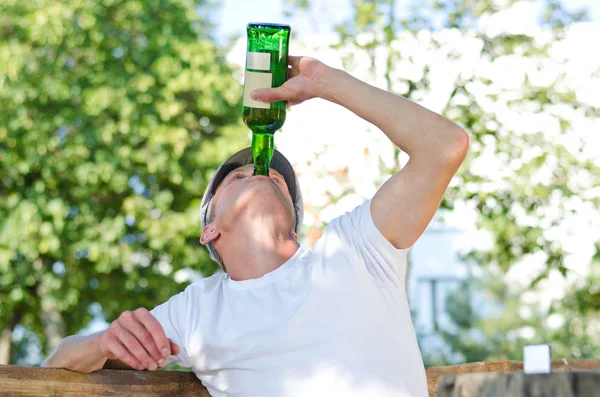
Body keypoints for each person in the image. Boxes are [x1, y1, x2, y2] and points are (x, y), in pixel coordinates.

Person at [42, 56, 469, 397]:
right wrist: (104, 342)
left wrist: (325, 81)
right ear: (210, 231)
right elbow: (55, 365)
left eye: (275, 178)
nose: (260, 170)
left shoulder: (354, 249)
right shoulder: (197, 310)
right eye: (236, 177)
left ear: (295, 227)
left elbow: (445, 145)